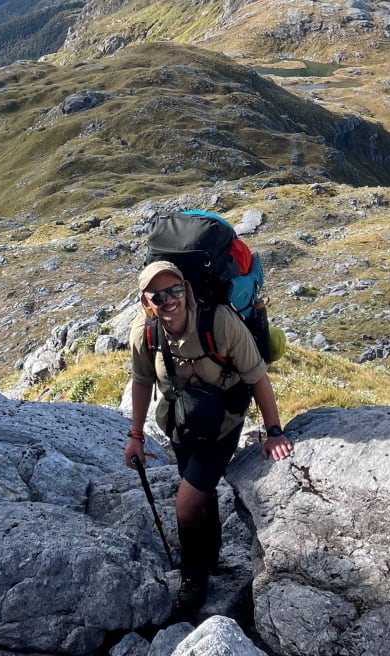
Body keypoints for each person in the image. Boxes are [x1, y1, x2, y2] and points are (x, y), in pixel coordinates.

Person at [125, 260, 292, 614]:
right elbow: (142, 381)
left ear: (186, 288)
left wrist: (273, 432)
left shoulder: (220, 322)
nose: (169, 300)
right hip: (180, 423)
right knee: (198, 491)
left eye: (175, 290)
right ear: (146, 302)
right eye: (159, 295)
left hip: (223, 424)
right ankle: (212, 554)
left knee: (185, 504)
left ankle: (194, 575)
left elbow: (257, 376)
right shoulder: (145, 332)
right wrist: (136, 435)